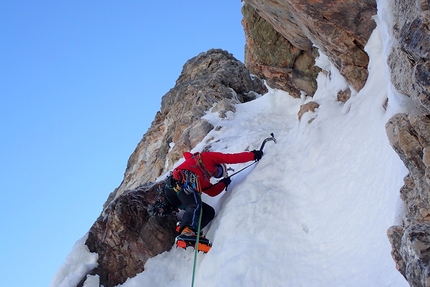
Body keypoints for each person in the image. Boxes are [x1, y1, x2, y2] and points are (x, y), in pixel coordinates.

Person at [163, 149, 263, 239]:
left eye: (219, 175)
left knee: (208, 212)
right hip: (178, 184)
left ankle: (192, 232)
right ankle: (187, 230)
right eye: (218, 170)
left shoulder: (205, 181)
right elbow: (230, 158)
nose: (216, 173)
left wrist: (223, 183)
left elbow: (212, 192)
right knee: (195, 205)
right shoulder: (206, 157)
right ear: (218, 164)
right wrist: (252, 155)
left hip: (177, 198)